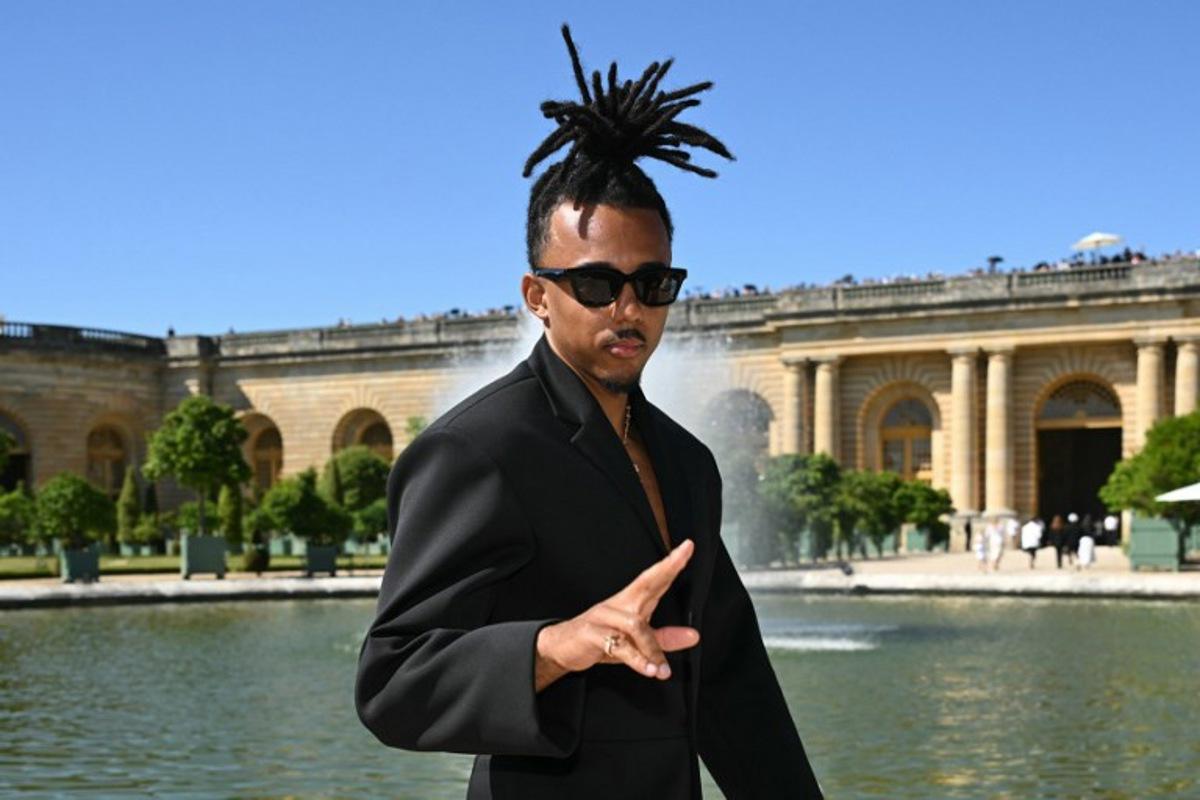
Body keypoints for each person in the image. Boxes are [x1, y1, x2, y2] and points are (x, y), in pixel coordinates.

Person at [354, 25, 823, 799]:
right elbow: (394, 680)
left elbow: (734, 677)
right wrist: (555, 645)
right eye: (599, 285)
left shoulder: (685, 460)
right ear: (538, 295)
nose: (629, 309)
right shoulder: (479, 448)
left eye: (653, 284)